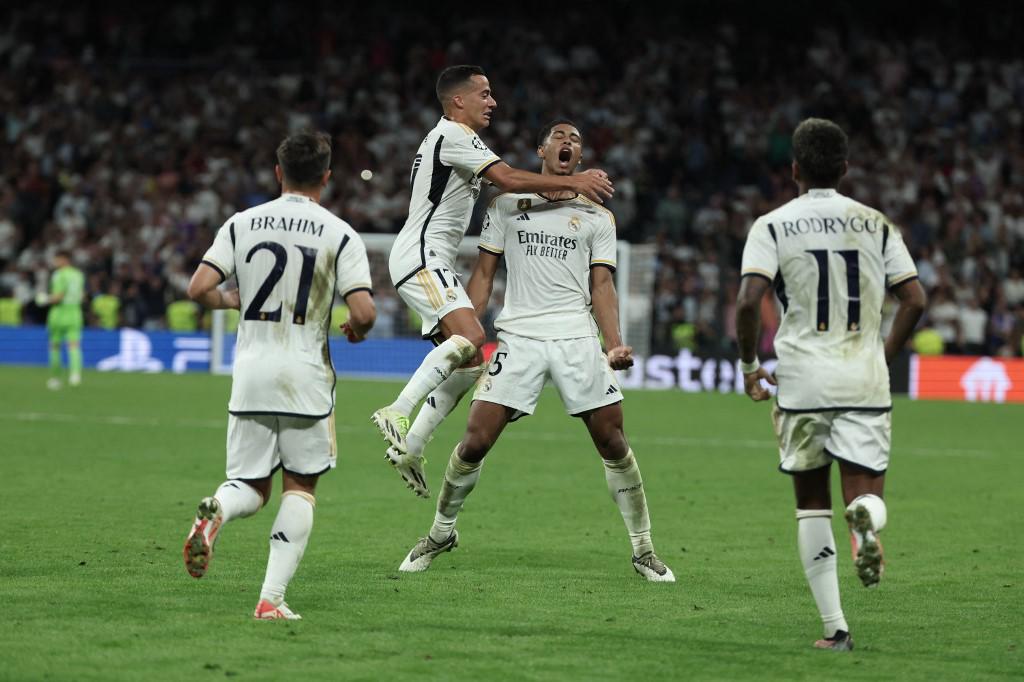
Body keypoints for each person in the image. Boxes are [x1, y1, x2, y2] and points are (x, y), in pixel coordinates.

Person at [396, 120, 674, 582]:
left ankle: (644, 549)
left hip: (575, 338)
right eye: (560, 137)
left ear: (580, 159)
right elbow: (484, 273)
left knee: (612, 441)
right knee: (475, 440)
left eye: (577, 140)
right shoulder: (505, 204)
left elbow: (601, 285)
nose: (568, 143)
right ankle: (441, 533)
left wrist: (613, 343)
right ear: (541, 148)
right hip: (519, 336)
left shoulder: (598, 216)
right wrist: (466, 327)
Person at [371, 65, 615, 498]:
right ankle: (398, 410)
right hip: (422, 255)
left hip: (430, 257)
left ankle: (411, 446)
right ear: (458, 100)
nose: (493, 102)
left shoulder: (457, 137)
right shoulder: (454, 135)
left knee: (470, 364)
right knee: (471, 336)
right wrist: (575, 181)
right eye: (484, 93)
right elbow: (506, 179)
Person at [735, 118, 926, 651]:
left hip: (801, 381)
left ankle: (834, 629)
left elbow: (749, 300)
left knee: (811, 504)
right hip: (863, 377)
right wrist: (883, 355)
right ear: (844, 169)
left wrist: (750, 366)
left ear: (794, 168)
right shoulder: (877, 224)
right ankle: (867, 520)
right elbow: (915, 299)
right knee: (866, 493)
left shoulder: (772, 225)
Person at [182, 132, 376, 620]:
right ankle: (271, 599)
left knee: (249, 484)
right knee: (299, 487)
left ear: (277, 172)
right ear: (326, 178)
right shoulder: (339, 232)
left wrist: (231, 300)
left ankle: (216, 510)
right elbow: (366, 311)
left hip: (249, 371)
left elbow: (199, 286)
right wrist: (355, 328)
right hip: (305, 375)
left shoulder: (241, 222)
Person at [35, 251, 85, 390]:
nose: (55, 263)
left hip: (59, 314)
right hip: (75, 313)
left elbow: (58, 296)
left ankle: (55, 378)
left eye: (57, 260)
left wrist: (44, 299)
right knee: (74, 345)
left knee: (55, 346)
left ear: (64, 260)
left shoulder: (59, 274)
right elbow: (81, 295)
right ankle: (75, 374)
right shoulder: (78, 274)